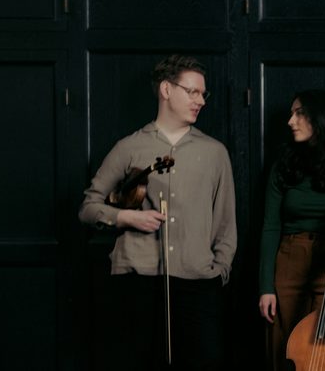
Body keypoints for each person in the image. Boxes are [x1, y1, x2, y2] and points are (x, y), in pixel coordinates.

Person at [78, 54, 236, 370]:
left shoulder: (215, 152)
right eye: (192, 92)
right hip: (138, 280)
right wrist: (126, 217)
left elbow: (225, 223)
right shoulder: (129, 147)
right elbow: (88, 207)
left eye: (203, 93)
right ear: (166, 89)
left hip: (197, 282)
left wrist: (219, 271)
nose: (201, 101)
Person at [257, 89, 325, 371]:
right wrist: (265, 287)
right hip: (290, 259)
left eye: (299, 113)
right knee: (286, 349)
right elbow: (270, 226)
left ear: (320, 117)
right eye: (291, 113)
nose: (291, 121)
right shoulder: (283, 165)